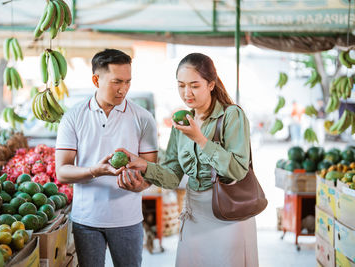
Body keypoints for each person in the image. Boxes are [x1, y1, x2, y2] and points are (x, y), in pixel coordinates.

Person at [117, 53, 259, 267]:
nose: (187, 93)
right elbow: (174, 177)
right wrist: (144, 164)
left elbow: (238, 170)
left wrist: (200, 139)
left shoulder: (231, 116)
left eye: (194, 85)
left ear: (211, 84)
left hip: (229, 213)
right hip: (195, 214)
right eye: (181, 85)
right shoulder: (181, 121)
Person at [55, 48, 158, 267]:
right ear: (96, 79)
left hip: (128, 220)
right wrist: (95, 170)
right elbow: (62, 171)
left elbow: (152, 171)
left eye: (128, 82)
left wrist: (141, 185)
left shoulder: (144, 118)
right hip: (86, 220)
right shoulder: (73, 117)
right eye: (116, 82)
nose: (123, 89)